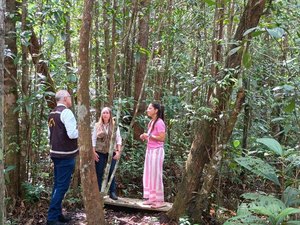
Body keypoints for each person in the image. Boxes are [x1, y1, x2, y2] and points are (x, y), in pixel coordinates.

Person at [47, 90, 78, 225]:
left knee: (57, 185)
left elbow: (51, 133)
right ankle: (52, 218)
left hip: (56, 153)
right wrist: (83, 130)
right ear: (65, 99)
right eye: (70, 97)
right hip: (65, 155)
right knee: (61, 187)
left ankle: (58, 214)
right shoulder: (66, 112)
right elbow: (72, 134)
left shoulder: (52, 113)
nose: (71, 100)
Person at [140, 102, 166, 209]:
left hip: (157, 151)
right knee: (149, 174)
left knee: (156, 175)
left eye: (150, 108)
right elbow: (152, 136)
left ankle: (160, 200)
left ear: (156, 110)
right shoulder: (151, 122)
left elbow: (162, 138)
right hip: (150, 150)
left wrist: (149, 135)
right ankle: (151, 198)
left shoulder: (160, 122)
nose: (147, 110)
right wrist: (145, 136)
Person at [92, 107, 122, 200]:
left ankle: (112, 192)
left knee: (111, 172)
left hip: (111, 152)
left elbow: (118, 139)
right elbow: (93, 139)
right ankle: (98, 193)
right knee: (99, 172)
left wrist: (118, 152)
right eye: (103, 113)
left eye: (107, 113)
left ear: (110, 115)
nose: (105, 115)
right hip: (99, 152)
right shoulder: (97, 125)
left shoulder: (114, 126)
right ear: (101, 114)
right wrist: (93, 152)